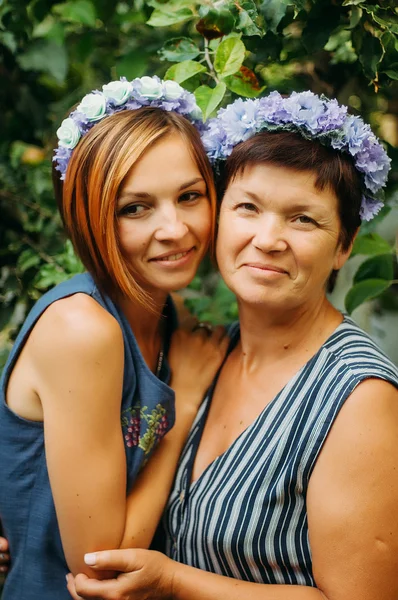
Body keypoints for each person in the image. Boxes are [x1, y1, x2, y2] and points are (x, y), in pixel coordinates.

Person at [66, 91, 398, 600]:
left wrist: (175, 582)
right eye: (248, 207)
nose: (268, 239)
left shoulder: (360, 397)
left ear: (344, 246)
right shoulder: (200, 350)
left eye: (303, 219)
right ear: (219, 216)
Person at [0, 76, 229, 600]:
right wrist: (186, 404)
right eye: (135, 208)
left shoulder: (174, 318)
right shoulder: (82, 330)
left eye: (190, 196)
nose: (174, 228)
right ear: (91, 216)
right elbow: (101, 570)